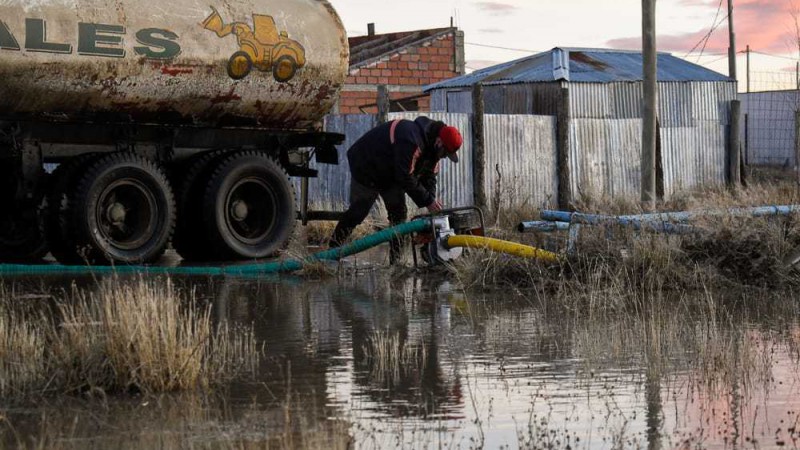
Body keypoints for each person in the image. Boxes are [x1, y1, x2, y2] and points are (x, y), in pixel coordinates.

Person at [329, 116, 463, 263]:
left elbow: (429, 177)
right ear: (439, 142)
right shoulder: (411, 139)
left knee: (399, 215)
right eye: (445, 153)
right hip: (367, 165)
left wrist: (431, 203)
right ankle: (332, 252)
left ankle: (396, 263)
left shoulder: (434, 150)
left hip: (390, 172)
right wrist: (427, 200)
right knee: (359, 211)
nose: (444, 157)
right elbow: (404, 176)